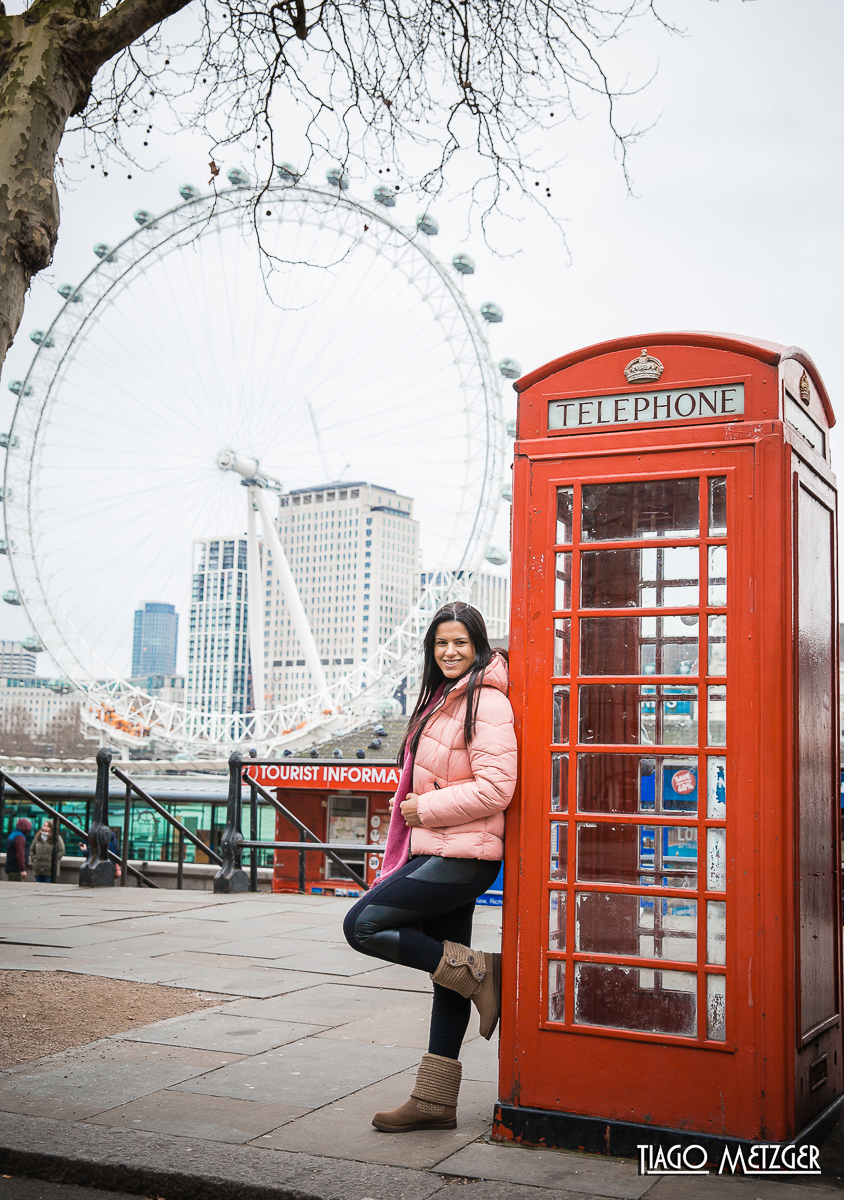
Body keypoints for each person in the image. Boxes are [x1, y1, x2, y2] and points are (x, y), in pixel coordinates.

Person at [343, 601, 517, 1133]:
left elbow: (497, 788)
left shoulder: (485, 701)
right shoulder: (443, 699)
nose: (450, 652)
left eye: (461, 643)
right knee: (448, 976)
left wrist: (424, 808)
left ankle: (481, 971)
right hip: (439, 850)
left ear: (478, 646)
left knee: (363, 925)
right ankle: (436, 1101)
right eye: (441, 643)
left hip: (462, 858)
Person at [4, 817, 33, 881]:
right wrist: (22, 869)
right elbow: (20, 854)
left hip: (10, 866)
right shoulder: (20, 837)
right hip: (16, 869)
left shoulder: (13, 834)